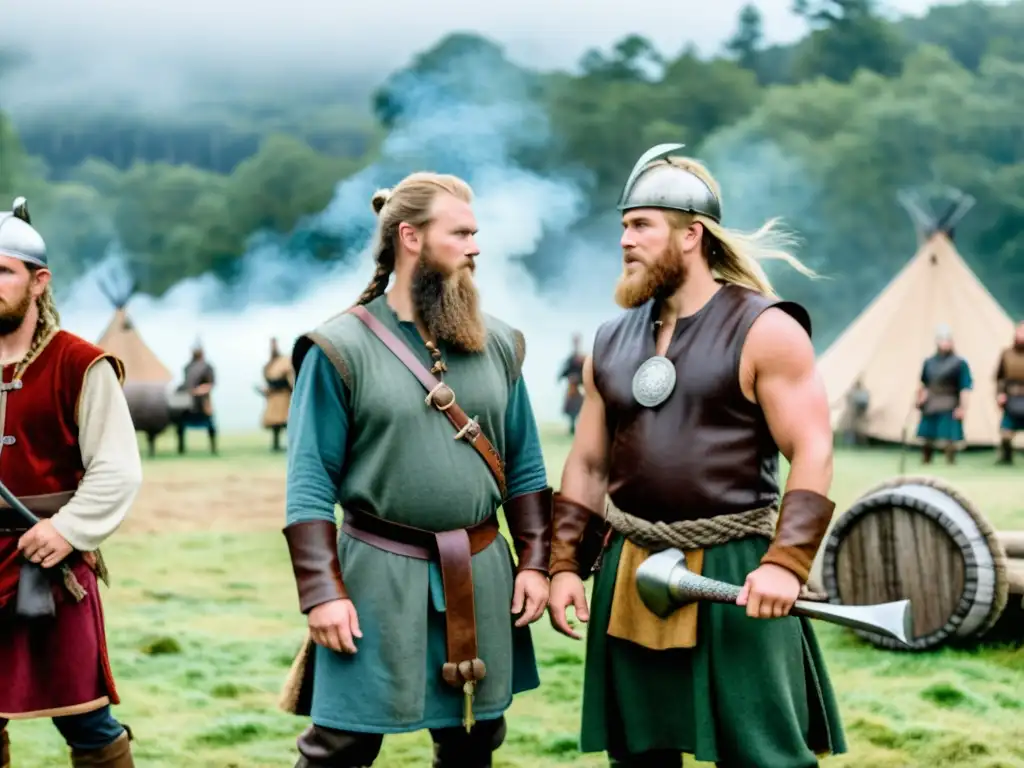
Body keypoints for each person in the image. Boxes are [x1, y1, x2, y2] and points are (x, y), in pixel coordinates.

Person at [546, 145, 847, 767]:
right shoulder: (609, 340)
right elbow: (589, 464)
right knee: (638, 753)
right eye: (624, 226)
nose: (625, 239)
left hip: (736, 567)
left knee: (764, 756)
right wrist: (564, 564)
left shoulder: (767, 328)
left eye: (641, 225)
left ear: (692, 236)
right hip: (631, 566)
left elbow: (812, 446)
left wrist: (786, 564)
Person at [278, 172, 552, 768]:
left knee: (475, 739)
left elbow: (526, 466)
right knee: (341, 744)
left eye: (476, 233)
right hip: (376, 573)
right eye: (461, 233)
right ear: (410, 237)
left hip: (481, 573)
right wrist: (322, 593)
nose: (476, 247)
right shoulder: (338, 348)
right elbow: (308, 483)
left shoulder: (500, 343)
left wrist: (534, 561)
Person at [0, 198, 143, 767]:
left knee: (85, 719)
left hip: (49, 564)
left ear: (39, 282)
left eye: (2, 271)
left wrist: (68, 530)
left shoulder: (79, 363)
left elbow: (116, 468)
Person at [915, 325, 972, 464]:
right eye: (942, 340)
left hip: (950, 402)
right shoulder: (929, 362)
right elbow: (924, 384)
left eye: (947, 340)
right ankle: (926, 460)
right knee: (927, 437)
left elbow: (965, 387)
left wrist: (962, 407)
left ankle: (950, 461)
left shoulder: (959, 363)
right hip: (931, 402)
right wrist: (920, 398)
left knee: (949, 439)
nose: (945, 343)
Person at [173, 340, 217, 455]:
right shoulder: (188, 367)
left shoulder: (207, 367)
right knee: (180, 424)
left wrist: (198, 391)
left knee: (210, 425)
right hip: (187, 401)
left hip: (202, 402)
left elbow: (210, 384)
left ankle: (213, 448)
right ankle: (181, 449)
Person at [995, 320, 1024, 465]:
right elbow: (1000, 377)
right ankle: (1006, 458)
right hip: (1012, 397)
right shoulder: (1007, 354)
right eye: (1020, 331)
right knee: (1006, 431)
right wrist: (1000, 394)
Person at [259, 336, 294, 452]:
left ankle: (292, 444)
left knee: (286, 422)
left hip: (283, 396)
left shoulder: (285, 361)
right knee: (275, 424)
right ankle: (276, 445)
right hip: (274, 397)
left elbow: (290, 380)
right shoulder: (270, 364)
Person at [558, 333, 586, 435]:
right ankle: (572, 428)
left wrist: (579, 379)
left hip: (580, 388)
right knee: (572, 411)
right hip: (572, 389)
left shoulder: (583, 358)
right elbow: (563, 373)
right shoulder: (570, 359)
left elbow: (586, 373)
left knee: (581, 409)